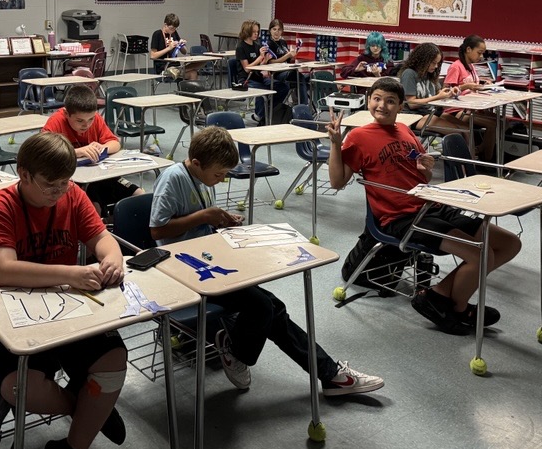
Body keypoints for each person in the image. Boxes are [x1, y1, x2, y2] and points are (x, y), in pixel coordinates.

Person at [149, 126, 384, 396]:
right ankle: (242, 353)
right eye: (218, 174)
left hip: (209, 261)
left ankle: (329, 374)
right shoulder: (173, 178)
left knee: (273, 307)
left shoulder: (201, 178)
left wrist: (221, 219)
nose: (221, 180)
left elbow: (198, 221)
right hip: (183, 271)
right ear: (197, 162)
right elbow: (157, 230)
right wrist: (204, 217)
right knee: (263, 307)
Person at [327, 77, 522, 335]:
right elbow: (337, 181)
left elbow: (424, 176)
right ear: (368, 101)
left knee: (509, 244)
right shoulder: (359, 137)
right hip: (401, 218)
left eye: (390, 101)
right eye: (377, 99)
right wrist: (335, 144)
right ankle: (457, 309)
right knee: (480, 255)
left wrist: (424, 168)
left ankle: (438, 296)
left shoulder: (405, 130)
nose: (382, 105)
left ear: (400, 107)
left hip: (431, 206)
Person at [0, 133, 127, 449]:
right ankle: (86, 409)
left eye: (65, 182)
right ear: (24, 174)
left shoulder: (72, 195)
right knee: (19, 386)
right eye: (49, 185)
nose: (59, 191)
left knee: (113, 359)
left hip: (65, 307)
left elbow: (102, 237)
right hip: (6, 314)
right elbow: (4, 271)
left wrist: (112, 259)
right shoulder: (0, 207)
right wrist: (70, 274)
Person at [41, 84, 145, 215]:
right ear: (67, 114)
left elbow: (115, 143)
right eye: (80, 121)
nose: (86, 125)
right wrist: (77, 152)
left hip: (99, 175)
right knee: (94, 207)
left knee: (139, 194)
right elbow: (43, 153)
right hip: (71, 180)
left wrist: (103, 147)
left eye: (90, 119)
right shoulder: (56, 121)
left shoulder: (96, 119)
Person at [441, 35, 497, 161]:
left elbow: (471, 83)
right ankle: (487, 159)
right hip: (455, 110)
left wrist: (483, 83)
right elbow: (447, 90)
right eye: (479, 53)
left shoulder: (470, 66)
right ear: (468, 49)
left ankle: (482, 150)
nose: (481, 56)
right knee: (492, 125)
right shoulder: (456, 66)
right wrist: (466, 86)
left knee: (500, 121)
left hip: (471, 106)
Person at [397, 42, 468, 137]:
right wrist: (438, 97)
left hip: (430, 113)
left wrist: (450, 92)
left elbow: (439, 92)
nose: (436, 66)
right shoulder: (409, 73)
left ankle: (472, 147)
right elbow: (412, 103)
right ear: (423, 60)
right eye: (434, 63)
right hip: (414, 116)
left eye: (438, 63)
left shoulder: (430, 74)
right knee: (457, 132)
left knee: (466, 129)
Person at [234, 19, 289, 125]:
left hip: (258, 77)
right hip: (247, 79)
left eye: (257, 32)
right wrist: (260, 58)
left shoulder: (257, 45)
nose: (256, 34)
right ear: (247, 32)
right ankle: (260, 115)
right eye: (254, 32)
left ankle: (269, 110)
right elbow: (247, 68)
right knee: (263, 90)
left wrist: (265, 60)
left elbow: (260, 65)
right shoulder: (241, 47)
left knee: (283, 87)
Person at [266, 19, 307, 105]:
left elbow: (287, 60)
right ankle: (303, 105)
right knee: (299, 77)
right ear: (270, 30)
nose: (277, 32)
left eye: (279, 29)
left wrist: (292, 55)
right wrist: (287, 55)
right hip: (277, 73)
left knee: (305, 77)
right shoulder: (269, 44)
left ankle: (300, 104)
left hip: (286, 69)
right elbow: (271, 62)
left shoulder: (283, 42)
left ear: (282, 31)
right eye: (274, 29)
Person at [149, 12, 200, 81]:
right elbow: (153, 56)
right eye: (171, 28)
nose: (173, 30)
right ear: (165, 25)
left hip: (176, 65)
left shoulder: (174, 33)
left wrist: (181, 45)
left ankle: (177, 72)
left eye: (175, 28)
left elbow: (184, 52)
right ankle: (176, 72)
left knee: (198, 66)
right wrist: (169, 48)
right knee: (192, 73)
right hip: (164, 67)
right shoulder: (157, 34)